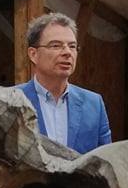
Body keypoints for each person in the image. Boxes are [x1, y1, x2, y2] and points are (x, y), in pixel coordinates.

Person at [17, 13, 112, 154]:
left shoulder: (94, 104)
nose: (67, 52)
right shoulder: (12, 101)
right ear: (33, 54)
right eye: (56, 45)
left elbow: (106, 159)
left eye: (72, 46)